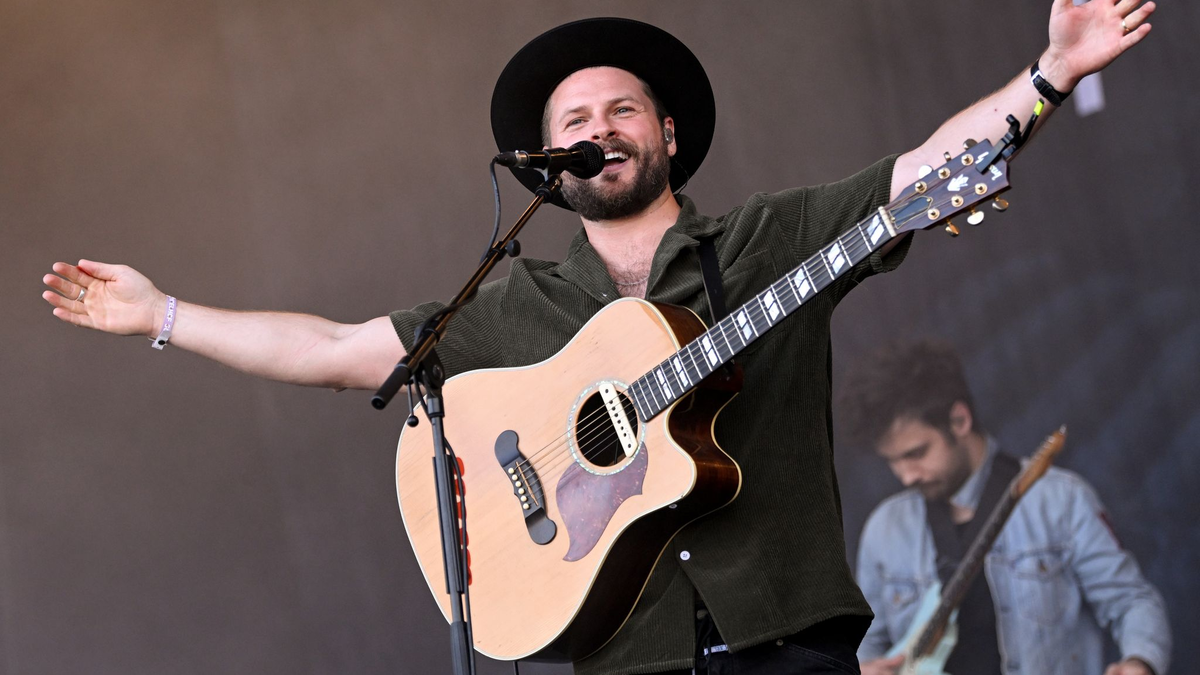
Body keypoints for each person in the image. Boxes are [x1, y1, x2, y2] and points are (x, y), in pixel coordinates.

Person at [41, 4, 1155, 674]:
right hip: (612, 656)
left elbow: (925, 169)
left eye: (621, 110)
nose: (598, 131)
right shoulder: (509, 306)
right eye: (572, 124)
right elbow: (335, 349)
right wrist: (164, 316)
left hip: (789, 639)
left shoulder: (765, 240)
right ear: (546, 165)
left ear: (667, 132)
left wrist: (1049, 74)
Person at [841, 341, 1171, 675]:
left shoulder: (1059, 500)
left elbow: (1131, 601)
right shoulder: (883, 529)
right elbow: (866, 641)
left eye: (916, 453)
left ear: (959, 420)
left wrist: (1139, 662)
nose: (906, 476)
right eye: (892, 462)